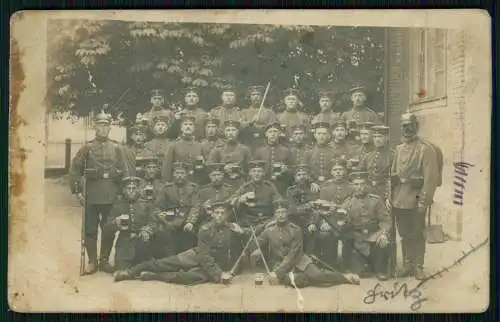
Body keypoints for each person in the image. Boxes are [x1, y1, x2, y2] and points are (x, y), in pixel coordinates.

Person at [114, 201, 245, 285]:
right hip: (196, 256)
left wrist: (242, 233)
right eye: (217, 212)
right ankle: (129, 272)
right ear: (212, 214)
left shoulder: (232, 228)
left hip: (213, 265)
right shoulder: (205, 229)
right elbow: (204, 256)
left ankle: (153, 276)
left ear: (227, 215)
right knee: (164, 263)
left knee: (188, 277)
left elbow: (247, 243)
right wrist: (219, 274)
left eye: (223, 213)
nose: (220, 215)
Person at [69, 109, 136, 274]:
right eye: (100, 125)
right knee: (90, 229)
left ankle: (105, 260)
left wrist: (126, 193)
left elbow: (126, 172)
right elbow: (75, 169)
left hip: (112, 194)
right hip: (91, 194)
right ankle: (92, 260)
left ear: (110, 128)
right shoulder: (87, 147)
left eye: (106, 125)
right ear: (95, 127)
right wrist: (77, 191)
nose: (103, 129)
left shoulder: (117, 148)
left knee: (109, 228)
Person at [249, 200, 360, 288]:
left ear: (287, 213)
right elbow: (255, 244)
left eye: (283, 212)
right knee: (297, 281)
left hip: (299, 260)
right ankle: (303, 278)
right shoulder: (269, 230)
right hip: (279, 262)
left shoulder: (296, 229)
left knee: (318, 275)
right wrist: (257, 230)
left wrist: (277, 272)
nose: (281, 215)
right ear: (275, 215)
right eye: (278, 213)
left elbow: (294, 253)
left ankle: (345, 278)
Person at [391, 113, 440, 280]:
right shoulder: (398, 149)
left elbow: (430, 178)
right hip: (399, 199)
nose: (407, 129)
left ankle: (418, 265)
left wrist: (424, 201)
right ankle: (407, 263)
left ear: (416, 127)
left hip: (417, 199)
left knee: (417, 233)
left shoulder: (426, 149)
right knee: (404, 233)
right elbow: (393, 174)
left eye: (410, 125)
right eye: (404, 125)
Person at [334, 172, 391, 280]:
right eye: (356, 184)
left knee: (383, 243)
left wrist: (383, 233)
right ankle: (364, 263)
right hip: (357, 237)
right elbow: (342, 222)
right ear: (352, 186)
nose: (359, 187)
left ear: (366, 185)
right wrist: (343, 221)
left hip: (374, 234)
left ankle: (380, 270)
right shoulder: (348, 203)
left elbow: (385, 220)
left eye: (362, 184)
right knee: (361, 273)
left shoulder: (375, 200)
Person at [106, 176, 157, 271]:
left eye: (134, 188)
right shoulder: (118, 205)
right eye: (128, 188)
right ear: (124, 190)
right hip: (125, 239)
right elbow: (108, 226)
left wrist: (147, 229)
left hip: (141, 239)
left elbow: (154, 222)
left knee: (144, 267)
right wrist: (115, 222)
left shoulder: (146, 204)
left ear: (138, 190)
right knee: (121, 268)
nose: (131, 191)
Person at [152, 162, 199, 258]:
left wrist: (190, 222)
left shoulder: (193, 188)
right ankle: (169, 261)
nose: (179, 176)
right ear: (173, 174)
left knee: (190, 235)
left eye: (182, 173)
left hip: (187, 220)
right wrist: (165, 221)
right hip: (170, 220)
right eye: (177, 173)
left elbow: (196, 206)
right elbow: (157, 208)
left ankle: (186, 263)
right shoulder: (166, 188)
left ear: (186, 174)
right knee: (166, 234)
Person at [315, 158, 353, 268]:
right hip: (330, 221)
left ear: (345, 171)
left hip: (347, 221)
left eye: (340, 169)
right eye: (335, 169)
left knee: (349, 236)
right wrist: (323, 222)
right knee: (326, 236)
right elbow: (322, 208)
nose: (338, 172)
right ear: (331, 172)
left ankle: (346, 265)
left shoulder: (351, 187)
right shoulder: (325, 188)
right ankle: (330, 264)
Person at [185, 163, 235, 231]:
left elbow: (234, 207)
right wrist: (190, 222)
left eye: (218, 175)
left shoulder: (230, 190)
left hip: (226, 221)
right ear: (210, 176)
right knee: (202, 230)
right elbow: (196, 208)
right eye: (214, 175)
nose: (216, 178)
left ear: (222, 176)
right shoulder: (203, 191)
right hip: (208, 221)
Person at [161, 115, 206, 184]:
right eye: (185, 124)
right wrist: (167, 181)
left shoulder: (200, 146)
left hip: (196, 181)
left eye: (191, 124)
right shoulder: (173, 145)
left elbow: (205, 166)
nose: (188, 127)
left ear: (194, 128)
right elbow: (167, 166)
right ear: (181, 128)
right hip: (178, 181)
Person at [286, 165, 319, 254]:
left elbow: (317, 208)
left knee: (312, 231)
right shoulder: (290, 191)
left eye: (304, 174)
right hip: (296, 221)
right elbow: (292, 210)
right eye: (299, 175)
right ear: (295, 177)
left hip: (311, 220)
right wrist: (308, 206)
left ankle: (310, 258)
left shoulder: (314, 189)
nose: (302, 177)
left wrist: (312, 222)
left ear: (308, 176)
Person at [254, 122, 293, 195]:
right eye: (270, 132)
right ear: (266, 134)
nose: (272, 134)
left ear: (279, 133)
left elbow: (292, 170)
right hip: (264, 185)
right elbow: (253, 170)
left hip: (281, 185)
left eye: (275, 131)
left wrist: (286, 170)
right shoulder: (259, 151)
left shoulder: (286, 150)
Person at [359, 125, 393, 199]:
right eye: (375, 137)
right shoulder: (367, 156)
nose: (377, 139)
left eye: (380, 136)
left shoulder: (392, 155)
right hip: (369, 192)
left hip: (385, 192)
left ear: (387, 137)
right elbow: (362, 175)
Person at [240, 85, 277, 152]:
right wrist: (250, 122)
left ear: (262, 97)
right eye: (253, 94)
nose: (256, 96)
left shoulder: (269, 112)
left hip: (264, 143)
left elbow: (273, 129)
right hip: (248, 143)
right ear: (250, 97)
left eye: (258, 94)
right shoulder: (244, 112)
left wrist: (261, 126)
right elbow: (240, 128)